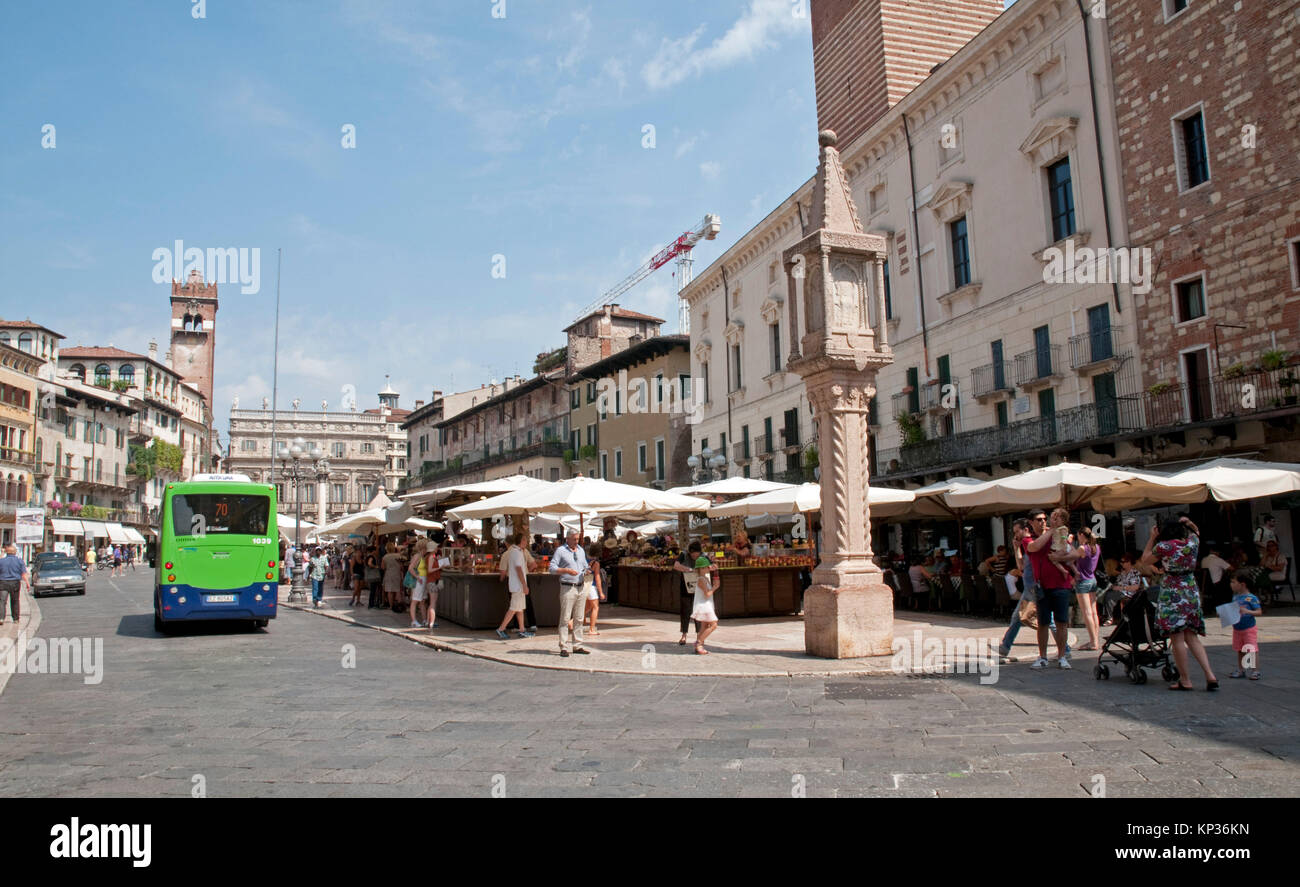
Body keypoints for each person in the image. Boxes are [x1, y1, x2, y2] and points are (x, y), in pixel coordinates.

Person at [1142, 516, 1218, 691]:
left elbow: (1145, 559)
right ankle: (1209, 675)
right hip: (1190, 590)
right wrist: (1189, 523)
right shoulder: (1191, 544)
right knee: (1192, 636)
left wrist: (1152, 538)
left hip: (1172, 592)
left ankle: (1185, 680)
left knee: (1177, 638)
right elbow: (1196, 532)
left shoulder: (1165, 546)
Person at [1027, 507, 1074, 669]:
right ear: (1031, 523)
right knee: (1043, 623)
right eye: (1039, 520)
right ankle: (1043, 656)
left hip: (1061, 584)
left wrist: (1061, 557)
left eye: (1045, 519)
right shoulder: (1030, 538)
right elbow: (1034, 547)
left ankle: (1062, 656)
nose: (1043, 522)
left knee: (1062, 622)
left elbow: (1074, 554)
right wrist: (1050, 531)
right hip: (1042, 586)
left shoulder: (1058, 534)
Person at [1057, 527, 1102, 651]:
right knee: (1094, 612)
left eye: (1078, 535)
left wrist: (1068, 543)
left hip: (1082, 581)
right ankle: (1095, 640)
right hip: (1092, 580)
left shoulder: (1083, 548)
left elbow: (1070, 557)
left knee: (1086, 613)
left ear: (1082, 535)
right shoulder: (1096, 548)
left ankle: (1093, 642)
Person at [549, 531, 591, 657]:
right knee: (565, 618)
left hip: (581, 586)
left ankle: (578, 645)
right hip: (568, 587)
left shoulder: (581, 550)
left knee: (579, 618)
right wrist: (565, 570)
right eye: (574, 539)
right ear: (567, 539)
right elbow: (551, 568)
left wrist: (587, 570)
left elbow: (585, 566)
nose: (576, 541)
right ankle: (563, 646)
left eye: (578, 539)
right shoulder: (560, 551)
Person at [997, 520, 1033, 660]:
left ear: (1025, 529)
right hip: (1029, 586)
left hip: (1034, 586)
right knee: (1017, 617)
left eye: (1017, 531)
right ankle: (1005, 646)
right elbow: (1022, 566)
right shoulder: (1025, 544)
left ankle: (1005, 646)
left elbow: (1023, 569)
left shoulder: (1031, 543)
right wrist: (1016, 547)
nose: (1015, 534)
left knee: (1048, 621)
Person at [495, 534, 535, 640]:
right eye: (525, 540)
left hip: (517, 585)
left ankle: (522, 629)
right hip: (518, 585)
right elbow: (518, 569)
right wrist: (524, 585)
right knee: (513, 608)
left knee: (519, 608)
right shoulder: (517, 552)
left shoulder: (515, 551)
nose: (527, 542)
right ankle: (501, 628)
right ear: (521, 540)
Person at [1227, 570, 1263, 680]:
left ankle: (1255, 670)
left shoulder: (1251, 598)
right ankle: (1241, 669)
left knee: (1251, 649)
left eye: (1233, 582)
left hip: (1248, 628)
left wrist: (1247, 611)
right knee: (1240, 649)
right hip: (1237, 628)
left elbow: (1259, 612)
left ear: (1242, 584)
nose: (1231, 584)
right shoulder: (1235, 597)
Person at [674, 540, 709, 645]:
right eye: (693, 555)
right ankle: (684, 635)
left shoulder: (704, 555)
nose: (695, 557)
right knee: (685, 609)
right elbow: (676, 565)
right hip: (686, 583)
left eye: (696, 555)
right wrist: (688, 569)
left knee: (698, 609)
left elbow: (710, 567)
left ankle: (699, 635)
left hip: (699, 585)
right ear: (689, 552)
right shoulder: (684, 554)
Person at [690, 555, 719, 654]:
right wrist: (715, 588)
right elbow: (707, 594)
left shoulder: (704, 578)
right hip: (704, 605)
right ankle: (698, 643)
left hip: (706, 605)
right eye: (706, 567)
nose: (708, 568)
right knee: (714, 624)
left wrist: (716, 572)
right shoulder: (701, 580)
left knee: (704, 626)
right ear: (701, 568)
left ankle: (699, 647)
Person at [0, 543, 29, 626]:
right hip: (15, 582)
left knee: (2, 601)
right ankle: (16, 618)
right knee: (15, 601)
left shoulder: (1, 561)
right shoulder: (19, 561)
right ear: (15, 552)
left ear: (6, 552)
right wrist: (27, 583)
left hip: (3, 582)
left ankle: (1, 618)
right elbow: (24, 573)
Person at [583, 542, 607, 636]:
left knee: (587, 607)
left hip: (583, 586)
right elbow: (597, 578)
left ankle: (573, 621)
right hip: (591, 587)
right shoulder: (595, 563)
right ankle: (592, 629)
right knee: (595, 607)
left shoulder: (585, 560)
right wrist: (601, 592)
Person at [407, 539, 431, 628]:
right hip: (419, 580)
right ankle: (414, 621)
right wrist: (417, 577)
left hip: (423, 580)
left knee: (422, 601)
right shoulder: (417, 556)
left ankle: (424, 620)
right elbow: (410, 568)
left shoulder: (422, 556)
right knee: (415, 600)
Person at [381, 542, 404, 610]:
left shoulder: (385, 557)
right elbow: (402, 566)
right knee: (397, 590)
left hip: (389, 574)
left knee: (390, 591)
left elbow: (383, 567)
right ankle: (399, 605)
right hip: (397, 574)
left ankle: (391, 606)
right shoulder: (399, 555)